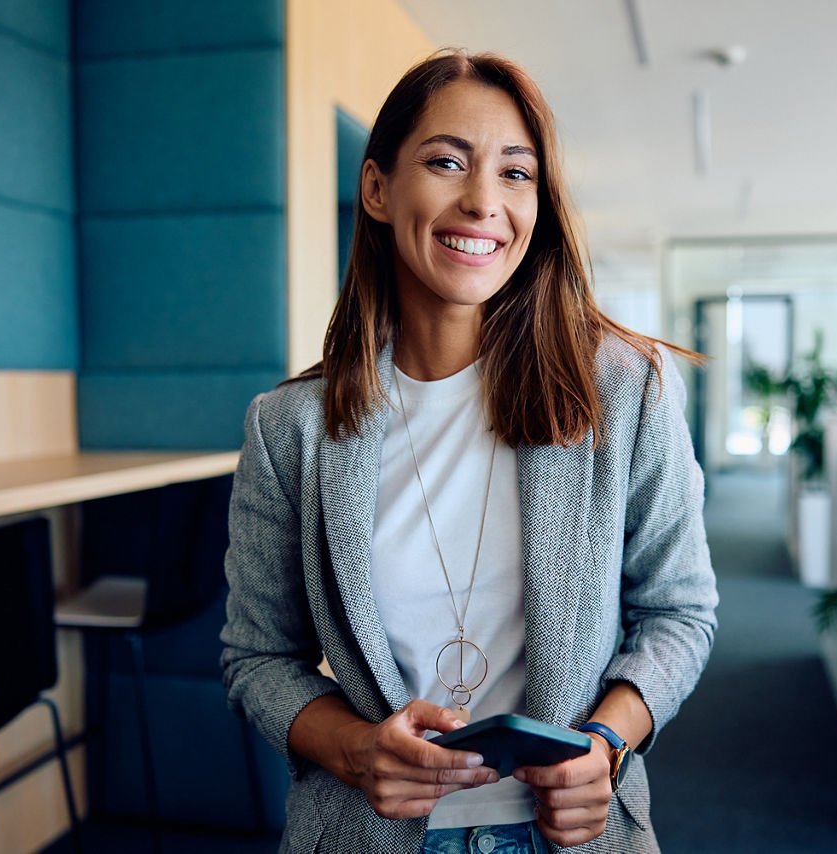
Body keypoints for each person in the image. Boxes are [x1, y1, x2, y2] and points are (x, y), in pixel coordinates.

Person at [221, 50, 718, 854]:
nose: (484, 201)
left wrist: (606, 744)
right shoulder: (290, 428)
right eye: (447, 162)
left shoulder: (625, 390)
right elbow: (256, 659)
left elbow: (680, 614)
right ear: (378, 189)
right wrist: (354, 751)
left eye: (515, 174)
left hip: (567, 836)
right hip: (369, 834)